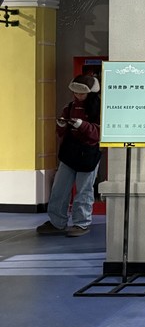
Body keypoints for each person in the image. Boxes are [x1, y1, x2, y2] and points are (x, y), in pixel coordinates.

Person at [36, 74, 102, 238]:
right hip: (69, 153)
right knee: (59, 188)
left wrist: (82, 125)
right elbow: (61, 133)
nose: (78, 95)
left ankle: (81, 223)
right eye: (75, 92)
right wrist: (61, 125)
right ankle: (57, 222)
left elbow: (99, 133)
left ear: (91, 92)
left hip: (89, 154)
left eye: (82, 93)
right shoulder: (69, 107)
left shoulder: (99, 108)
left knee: (84, 190)